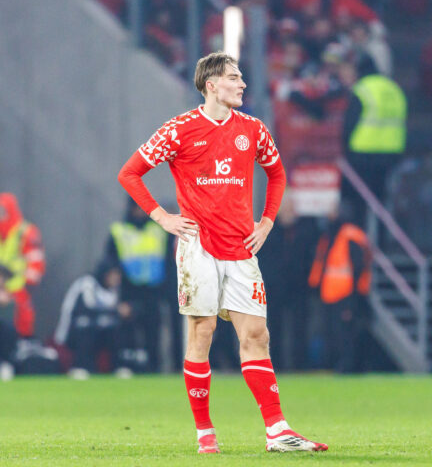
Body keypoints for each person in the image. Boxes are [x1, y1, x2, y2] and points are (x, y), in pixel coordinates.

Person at [117, 52, 327, 454]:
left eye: (241, 77)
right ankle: (204, 432)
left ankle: (277, 431)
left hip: (241, 248)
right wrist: (162, 217)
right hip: (198, 249)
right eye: (234, 77)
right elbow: (130, 172)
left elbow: (277, 172)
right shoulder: (179, 130)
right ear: (211, 85)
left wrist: (265, 221)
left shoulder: (253, 128)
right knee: (203, 332)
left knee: (256, 335)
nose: (242, 84)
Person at [104, 197, 177, 373]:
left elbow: (168, 262)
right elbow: (110, 263)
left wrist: (169, 291)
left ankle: (155, 368)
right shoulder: (119, 231)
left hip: (155, 290)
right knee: (128, 334)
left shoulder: (159, 230)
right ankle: (128, 367)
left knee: (154, 333)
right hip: (130, 291)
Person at [308, 201, 372, 373]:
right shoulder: (330, 235)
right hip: (329, 294)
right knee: (332, 334)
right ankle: (337, 366)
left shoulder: (349, 235)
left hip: (345, 295)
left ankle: (348, 368)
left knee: (345, 335)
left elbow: (358, 268)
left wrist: (355, 298)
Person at [258, 193, 318, 370]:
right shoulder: (268, 231)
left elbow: (311, 257)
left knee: (300, 328)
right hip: (275, 288)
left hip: (299, 288)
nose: (288, 210)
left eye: (291, 206)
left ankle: (299, 366)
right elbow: (262, 260)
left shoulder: (305, 230)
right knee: (274, 329)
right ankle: (276, 365)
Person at [342, 61, 407, 216]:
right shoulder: (394, 89)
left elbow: (350, 122)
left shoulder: (363, 89)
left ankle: (361, 236)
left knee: (360, 202)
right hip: (392, 154)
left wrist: (344, 148)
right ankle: (382, 238)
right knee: (383, 202)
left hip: (363, 154)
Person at [53, 261, 128, 379]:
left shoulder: (114, 290)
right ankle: (80, 366)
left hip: (97, 330)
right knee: (86, 326)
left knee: (115, 329)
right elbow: (88, 309)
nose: (117, 279)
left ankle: (118, 366)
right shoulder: (87, 283)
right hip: (72, 330)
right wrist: (116, 311)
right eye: (114, 275)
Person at [0, 193, 45, 349]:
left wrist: (10, 289)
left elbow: (35, 269)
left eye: (3, 211)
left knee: (23, 316)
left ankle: (19, 350)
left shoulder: (26, 232)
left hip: (20, 288)